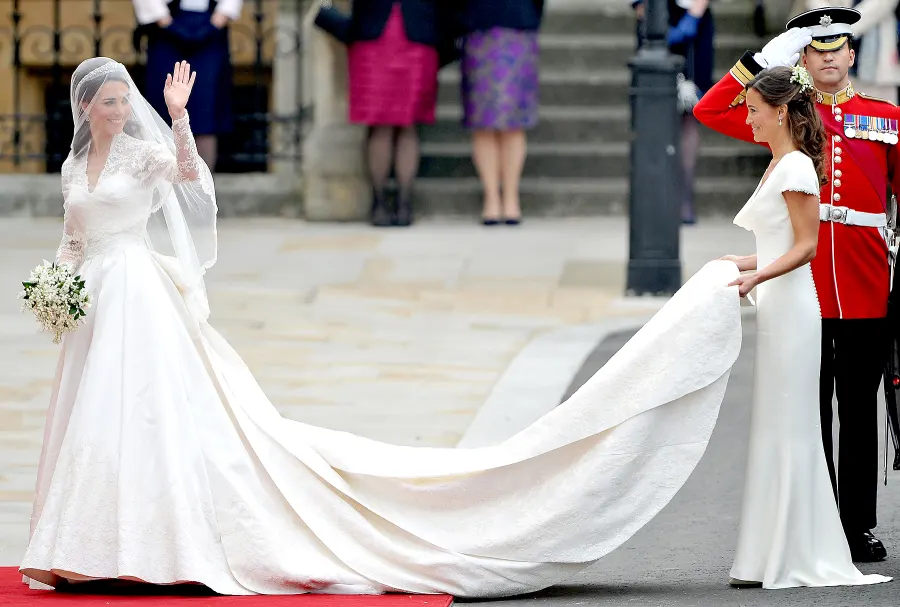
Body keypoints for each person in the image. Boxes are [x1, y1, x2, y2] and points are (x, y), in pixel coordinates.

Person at [15, 56, 769, 596]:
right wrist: (57, 285)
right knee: (93, 416)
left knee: (149, 409)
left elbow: (188, 180)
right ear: (85, 110)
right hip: (95, 300)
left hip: (143, 295)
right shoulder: (73, 168)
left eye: (122, 99)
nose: (116, 110)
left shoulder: (147, 153)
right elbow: (72, 237)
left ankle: (156, 539)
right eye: (106, 102)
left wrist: (179, 118)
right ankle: (85, 543)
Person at [694, 6, 900, 563]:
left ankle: (857, 525)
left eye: (839, 48)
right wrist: (762, 59)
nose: (830, 56)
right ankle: (820, 520)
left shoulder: (886, 117)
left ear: (853, 55)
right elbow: (710, 110)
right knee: (809, 412)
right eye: (817, 49)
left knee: (858, 412)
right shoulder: (790, 117)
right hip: (803, 285)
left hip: (864, 284)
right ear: (803, 59)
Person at [346, 0, 454, 228]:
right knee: (381, 123)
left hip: (418, 36)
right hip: (374, 37)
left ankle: (403, 202)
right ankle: (380, 201)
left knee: (407, 124)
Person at [456, 0, 544, 225]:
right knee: (482, 121)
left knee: (514, 121)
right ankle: (491, 198)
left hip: (518, 27)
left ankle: (511, 197)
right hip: (479, 30)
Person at [632, 0, 715, 224]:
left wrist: (696, 13)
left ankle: (683, 201)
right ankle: (656, 200)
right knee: (654, 116)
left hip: (695, 25)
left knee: (689, 117)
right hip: (653, 25)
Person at [133, 0, 241, 171]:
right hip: (165, 32)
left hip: (211, 32)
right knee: (164, 110)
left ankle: (202, 191)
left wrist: (216, 22)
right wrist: (165, 22)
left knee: (205, 112)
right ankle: (165, 189)